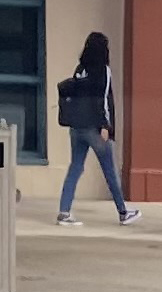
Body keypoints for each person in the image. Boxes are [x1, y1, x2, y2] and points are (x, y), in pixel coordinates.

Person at [57, 30, 140, 226]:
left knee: (75, 168)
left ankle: (64, 211)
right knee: (109, 170)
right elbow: (103, 100)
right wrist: (106, 126)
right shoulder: (103, 70)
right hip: (94, 128)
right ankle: (122, 212)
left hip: (76, 127)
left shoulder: (80, 69)